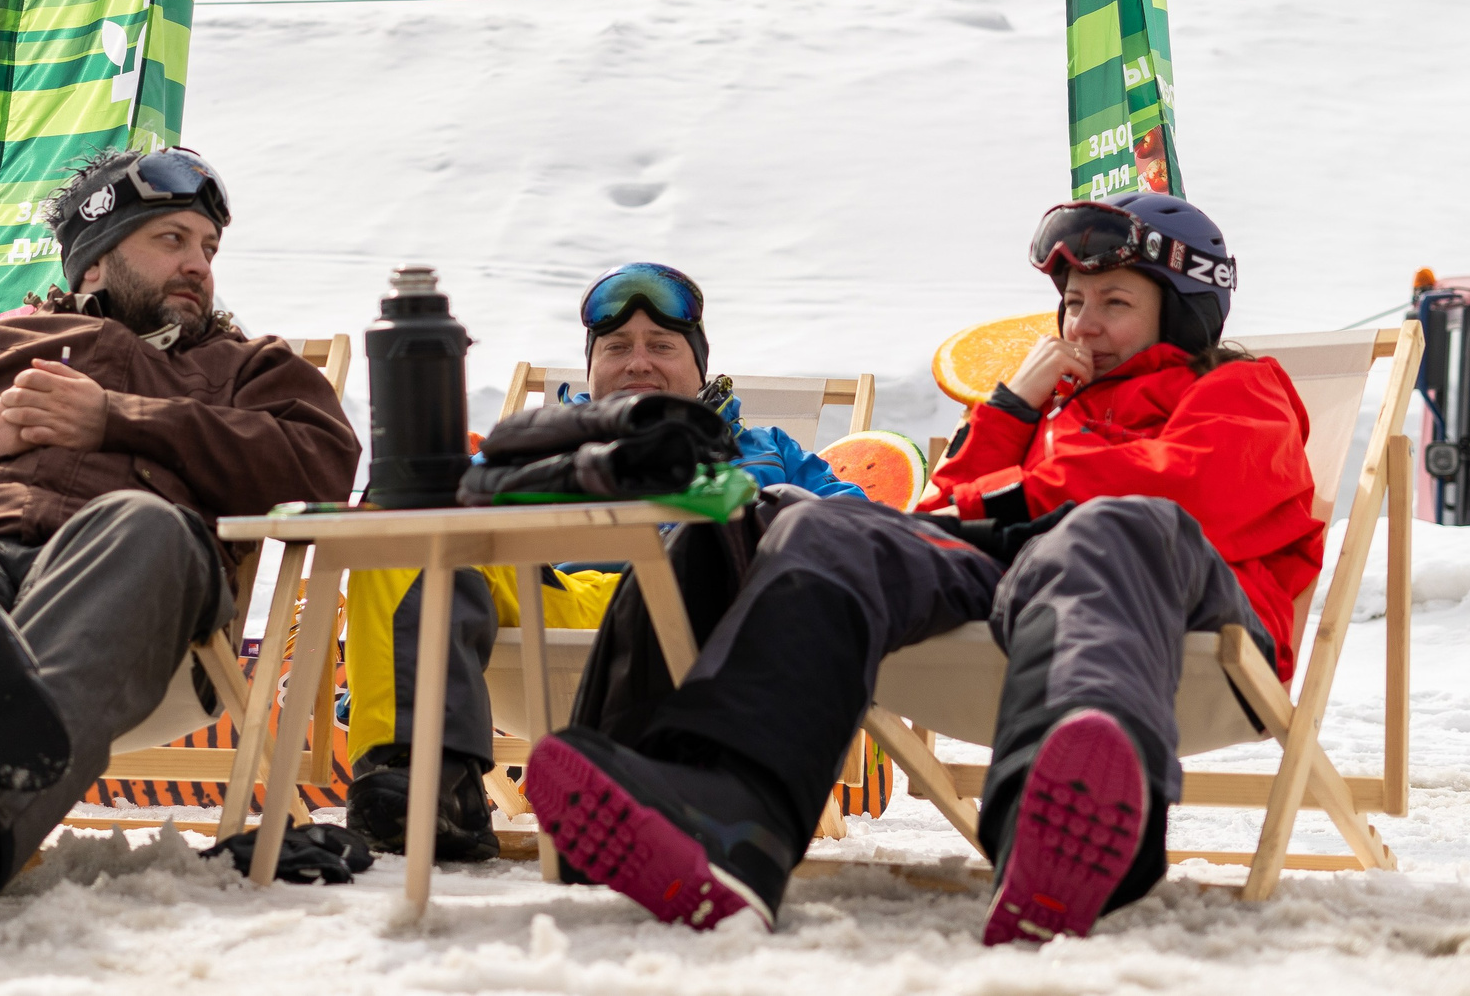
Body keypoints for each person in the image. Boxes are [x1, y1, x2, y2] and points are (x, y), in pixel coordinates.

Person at [524, 194, 1322, 945]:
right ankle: (734, 818)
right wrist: (1012, 405)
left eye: (1114, 302)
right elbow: (941, 508)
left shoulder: (1241, 387)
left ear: (1180, 313)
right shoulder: (1053, 410)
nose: (1084, 324)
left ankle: (1059, 836)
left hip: (1179, 605)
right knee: (821, 526)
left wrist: (1014, 494)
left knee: (1110, 522)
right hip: (1025, 591)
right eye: (1074, 303)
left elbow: (1188, 484)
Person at [0, 147, 358, 919]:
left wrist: (120, 419)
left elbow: (319, 467)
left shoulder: (245, 367)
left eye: (209, 248)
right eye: (172, 240)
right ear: (94, 262)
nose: (199, 265)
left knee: (143, 522)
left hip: (118, 587)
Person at [340, 262, 864, 861]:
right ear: (591, 367)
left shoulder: (766, 452)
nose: (638, 362)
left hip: (710, 628)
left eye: (662, 346)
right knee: (407, 517)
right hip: (554, 620)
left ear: (700, 367)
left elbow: (859, 532)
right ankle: (426, 780)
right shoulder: (532, 447)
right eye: (617, 347)